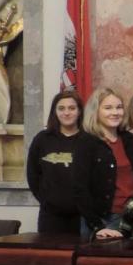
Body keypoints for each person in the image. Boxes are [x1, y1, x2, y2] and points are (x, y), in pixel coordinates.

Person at [73, 88, 133, 238]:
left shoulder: (129, 140)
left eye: (119, 107)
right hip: (101, 221)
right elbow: (80, 190)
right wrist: (97, 226)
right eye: (108, 108)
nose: (115, 112)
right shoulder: (86, 142)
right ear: (96, 111)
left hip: (131, 216)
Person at [27, 91, 84, 234]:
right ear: (55, 112)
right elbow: (33, 175)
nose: (66, 113)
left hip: (83, 217)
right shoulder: (42, 139)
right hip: (50, 217)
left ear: (79, 111)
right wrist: (47, 201)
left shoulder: (89, 141)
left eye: (72, 108)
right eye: (61, 108)